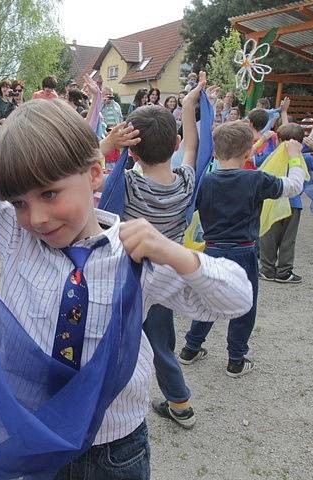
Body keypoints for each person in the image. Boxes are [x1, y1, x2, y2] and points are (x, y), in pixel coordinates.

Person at [0, 31, 253, 479]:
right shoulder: (14, 234)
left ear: (95, 173)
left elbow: (238, 299)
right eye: (20, 202)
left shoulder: (134, 255)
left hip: (114, 450)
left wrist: (174, 252)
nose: (37, 217)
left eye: (50, 193)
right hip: (33, 436)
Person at [179, 121, 305, 378]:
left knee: (208, 300)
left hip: (211, 252)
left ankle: (190, 348)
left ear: (215, 153)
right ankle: (236, 359)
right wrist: (294, 158)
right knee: (243, 305)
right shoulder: (255, 179)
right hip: (243, 253)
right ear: (249, 153)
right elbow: (294, 187)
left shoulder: (205, 180)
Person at [115, 73, 207, 428]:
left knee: (113, 336)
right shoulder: (187, 182)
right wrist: (188, 105)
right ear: (176, 145)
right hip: (164, 277)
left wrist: (111, 144)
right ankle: (180, 404)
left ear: (131, 151)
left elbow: (82, 164)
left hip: (127, 276)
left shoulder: (128, 185)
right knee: (161, 343)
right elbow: (194, 149)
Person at [258, 123, 313, 283]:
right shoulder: (305, 158)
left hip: (271, 203)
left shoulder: (269, 154)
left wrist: (263, 139)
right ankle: (284, 272)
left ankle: (267, 269)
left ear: (278, 141)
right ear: (300, 143)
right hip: (293, 205)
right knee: (288, 239)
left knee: (268, 236)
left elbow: (251, 159)